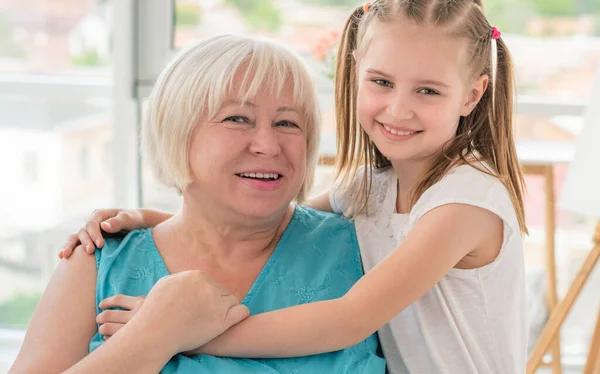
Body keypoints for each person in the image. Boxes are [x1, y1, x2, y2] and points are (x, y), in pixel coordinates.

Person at [61, 0, 530, 372]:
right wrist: (150, 219)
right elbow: (276, 220)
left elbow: (350, 319)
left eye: (428, 90)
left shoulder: (466, 201)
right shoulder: (373, 188)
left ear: (472, 94)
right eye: (382, 82)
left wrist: (174, 331)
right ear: (354, 74)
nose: (398, 109)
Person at [9, 34, 386, 373]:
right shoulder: (94, 261)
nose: (269, 145)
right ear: (177, 132)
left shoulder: (364, 247)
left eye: (288, 123)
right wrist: (155, 334)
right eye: (238, 118)